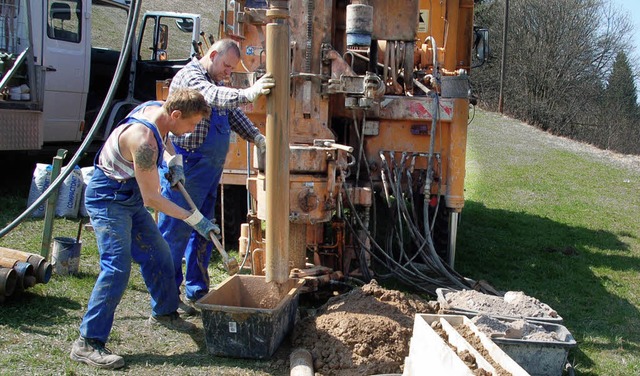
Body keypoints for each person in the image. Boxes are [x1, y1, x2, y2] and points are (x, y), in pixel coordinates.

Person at [70, 88, 214, 370]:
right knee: (117, 267)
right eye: (192, 124)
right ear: (175, 114)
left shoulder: (156, 108)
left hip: (130, 194)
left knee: (159, 254)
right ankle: (87, 342)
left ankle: (164, 312)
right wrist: (195, 218)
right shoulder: (144, 141)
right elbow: (153, 198)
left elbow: (167, 139)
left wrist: (174, 161)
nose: (192, 129)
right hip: (109, 197)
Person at [158, 39, 275, 314]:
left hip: (209, 171)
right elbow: (211, 97)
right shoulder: (192, 78)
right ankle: (165, 300)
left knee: (204, 231)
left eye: (232, 69)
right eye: (226, 66)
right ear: (212, 55)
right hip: (189, 168)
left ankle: (196, 291)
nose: (228, 73)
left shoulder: (217, 83)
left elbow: (231, 113)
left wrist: (256, 136)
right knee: (175, 233)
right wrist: (249, 93)